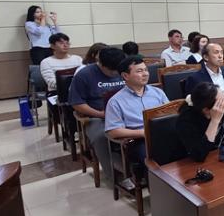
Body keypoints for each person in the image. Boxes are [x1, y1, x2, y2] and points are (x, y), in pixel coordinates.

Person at [104, 56, 169, 187]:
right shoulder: (116, 101)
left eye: (146, 70)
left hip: (162, 134)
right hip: (138, 141)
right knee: (154, 156)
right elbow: (113, 131)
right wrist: (143, 133)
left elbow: (170, 114)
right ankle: (158, 192)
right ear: (125, 76)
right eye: (139, 71)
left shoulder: (158, 93)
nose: (145, 74)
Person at [69, 47, 126, 187]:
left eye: (117, 70)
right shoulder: (84, 75)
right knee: (101, 137)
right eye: (111, 71)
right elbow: (77, 103)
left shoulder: (125, 69)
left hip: (126, 112)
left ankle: (141, 172)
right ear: (100, 63)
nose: (115, 73)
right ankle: (116, 177)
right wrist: (100, 114)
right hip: (97, 117)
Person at [176, 82, 224, 162]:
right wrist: (214, 121)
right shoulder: (186, 121)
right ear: (206, 110)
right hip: (198, 164)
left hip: (221, 158)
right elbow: (199, 155)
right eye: (220, 103)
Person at [39, 33, 82, 128]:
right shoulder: (46, 62)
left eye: (67, 42)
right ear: (52, 46)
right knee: (66, 108)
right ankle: (71, 129)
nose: (65, 45)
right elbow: (51, 82)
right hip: (57, 92)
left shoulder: (77, 59)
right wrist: (72, 86)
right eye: (61, 43)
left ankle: (84, 127)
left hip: (78, 91)